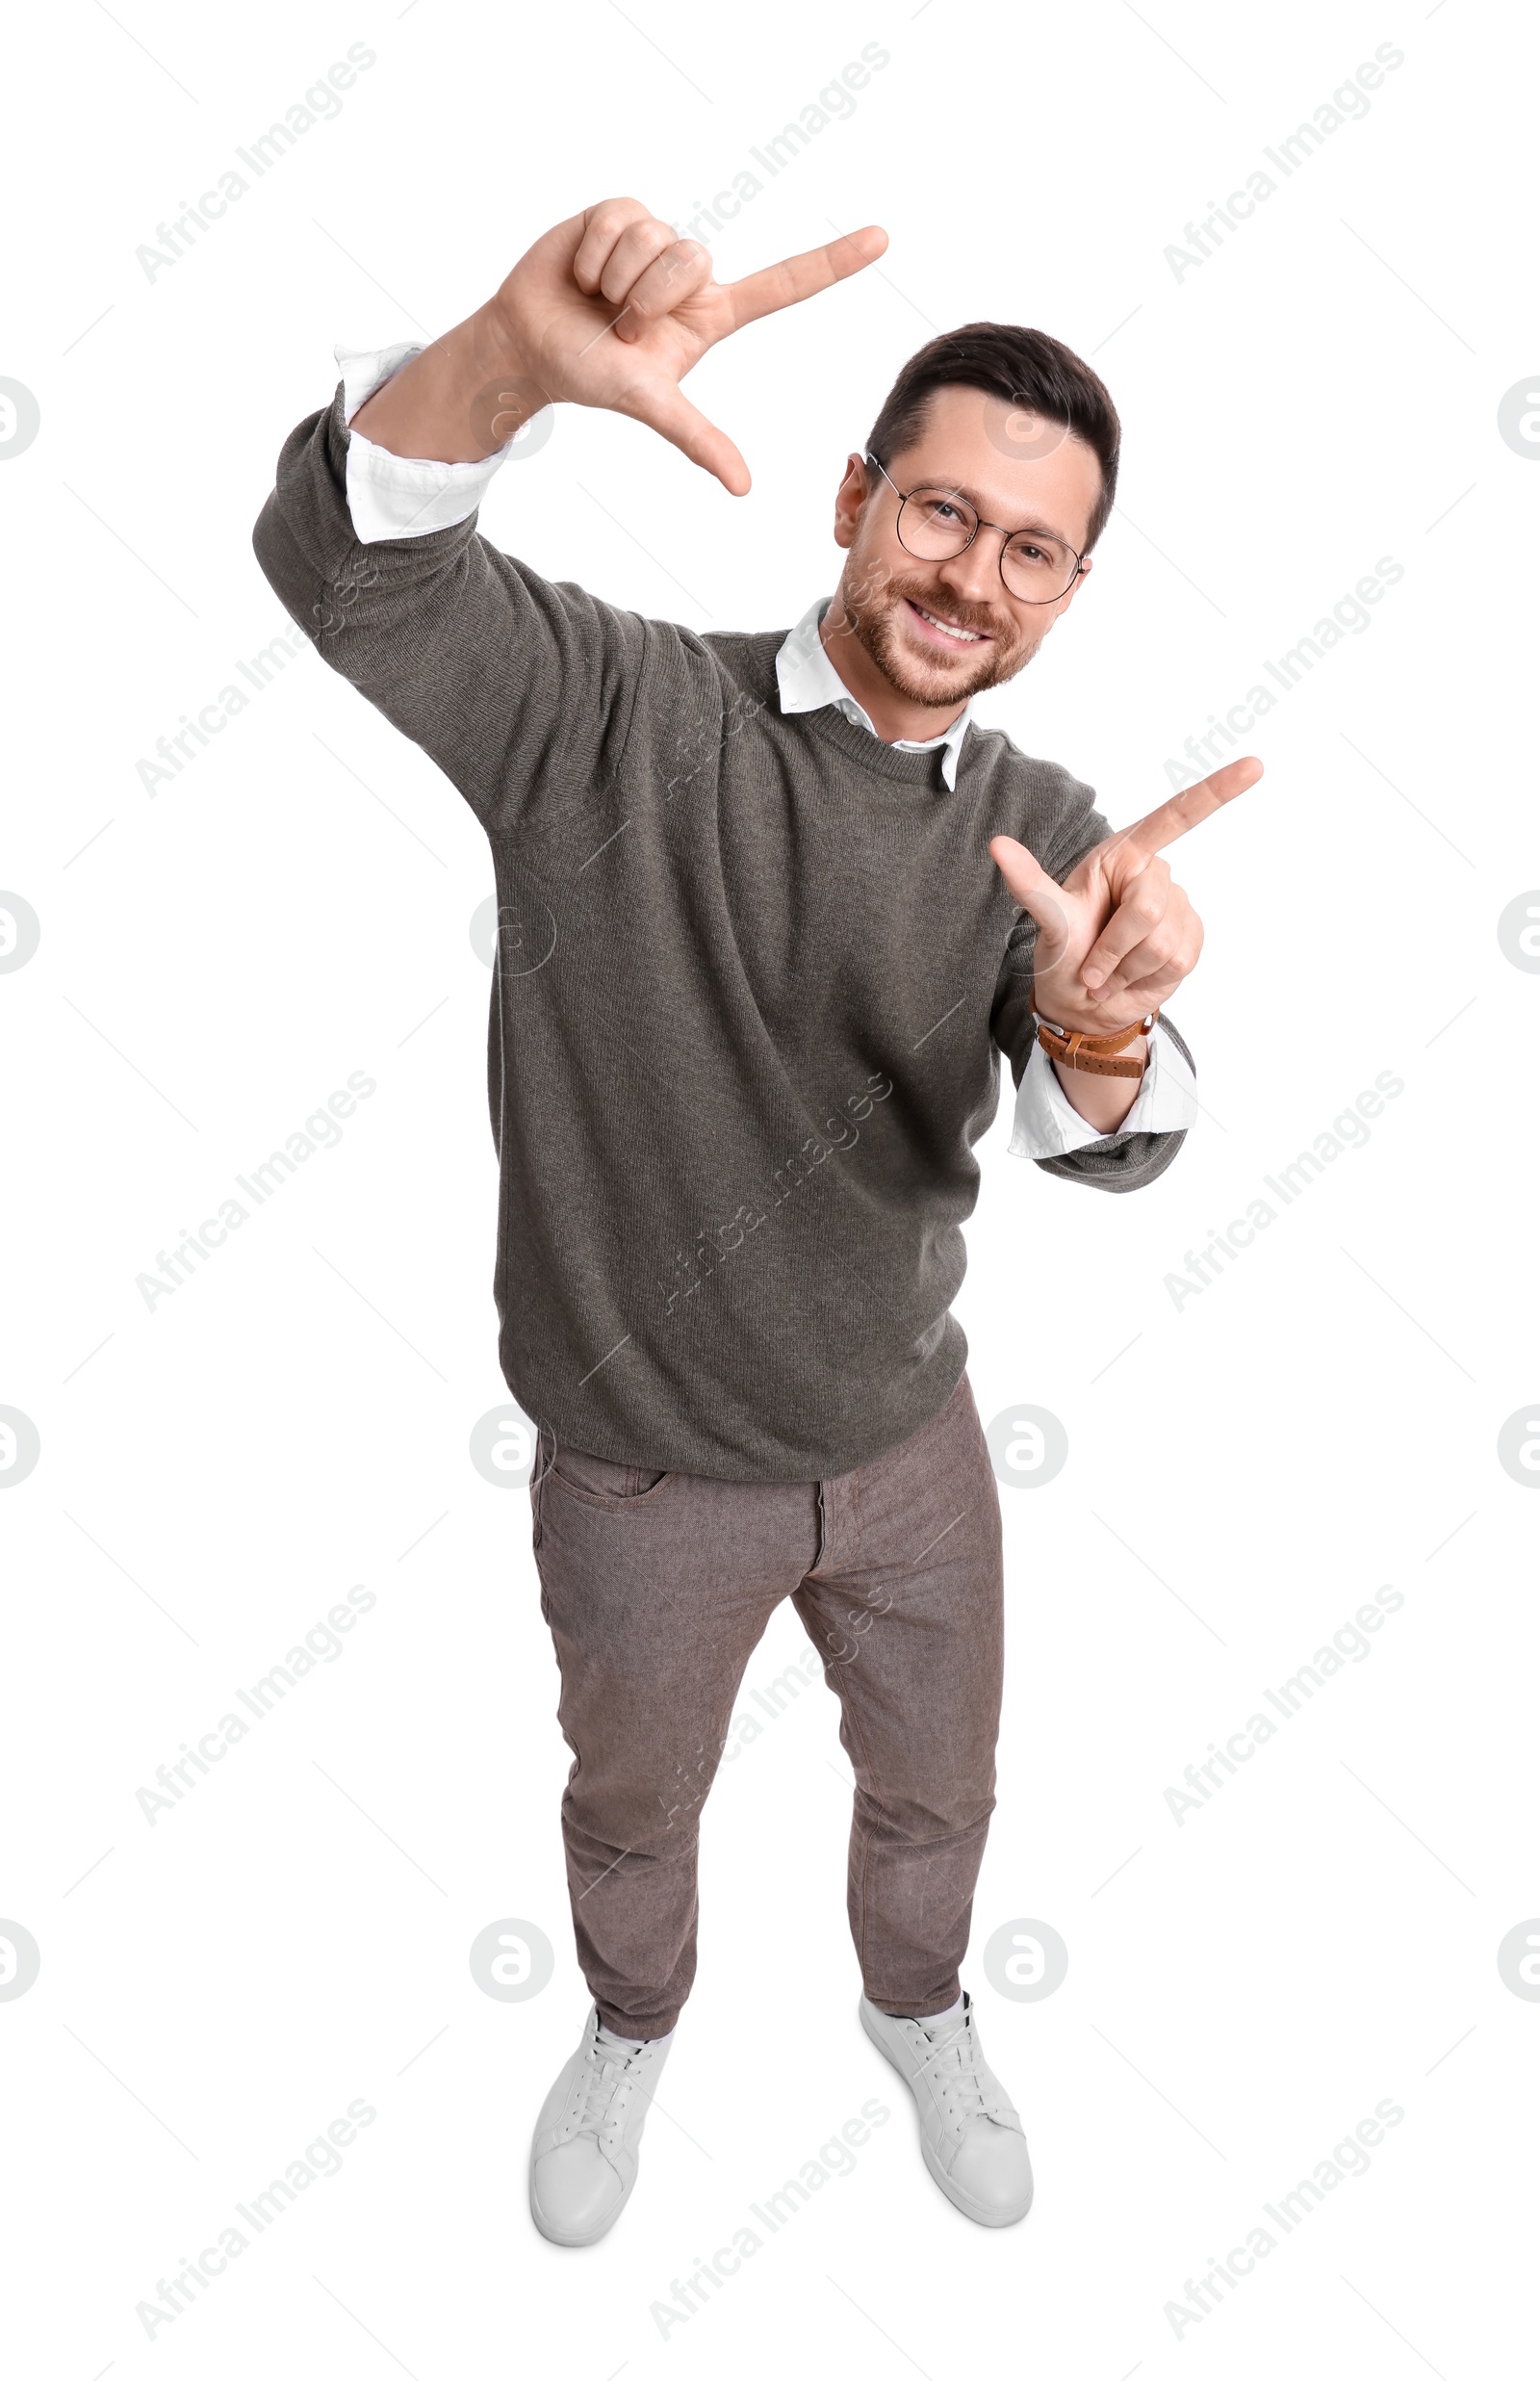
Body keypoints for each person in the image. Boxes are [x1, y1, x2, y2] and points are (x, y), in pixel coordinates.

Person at [253, 197, 1258, 2246]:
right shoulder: (614, 718)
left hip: (907, 1447)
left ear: (1065, 596)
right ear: (852, 498)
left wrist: (1085, 1037)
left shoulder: (1045, 831)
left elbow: (1112, 1142)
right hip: (638, 1469)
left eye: (1026, 549)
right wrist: (504, 365)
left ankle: (918, 2003)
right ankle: (631, 2023)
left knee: (937, 1797)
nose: (967, 576)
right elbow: (350, 568)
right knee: (630, 1810)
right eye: (938, 514)